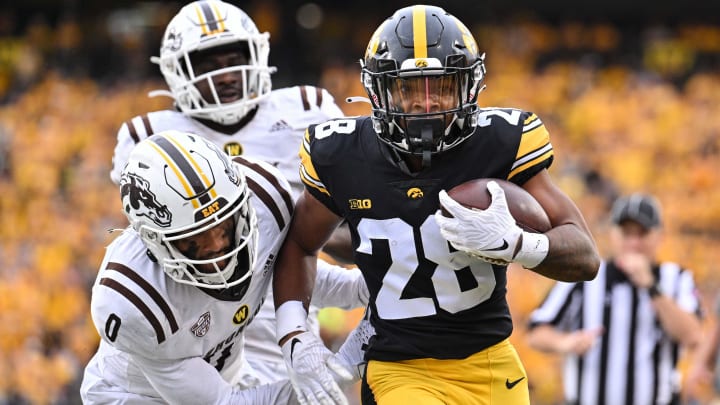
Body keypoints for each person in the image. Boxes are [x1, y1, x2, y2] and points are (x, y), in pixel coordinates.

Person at [271, 5, 601, 404]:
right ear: (379, 91)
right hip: (400, 369)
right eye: (409, 89)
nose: (426, 104)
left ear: (469, 87)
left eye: (442, 86)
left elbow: (585, 257)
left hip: (491, 362)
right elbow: (301, 244)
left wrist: (517, 244)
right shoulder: (342, 153)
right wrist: (294, 335)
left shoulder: (500, 143)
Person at [107, 0, 357, 389]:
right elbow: (156, 250)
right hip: (202, 324)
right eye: (208, 65)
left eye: (234, 58)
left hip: (287, 303)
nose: (226, 75)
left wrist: (298, 235)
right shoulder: (148, 137)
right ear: (177, 72)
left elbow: (349, 224)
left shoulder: (307, 112)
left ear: (258, 55)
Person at [80, 130, 369, 404]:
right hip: (134, 397)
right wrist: (346, 363)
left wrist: (374, 288)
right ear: (155, 242)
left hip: (227, 376)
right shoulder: (134, 302)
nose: (218, 246)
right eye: (195, 239)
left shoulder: (264, 200)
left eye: (225, 226)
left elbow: (292, 274)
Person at [527, 193, 702, 405]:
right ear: (612, 234)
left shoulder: (676, 278)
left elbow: (693, 336)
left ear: (659, 236)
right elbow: (535, 332)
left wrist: (651, 287)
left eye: (642, 233)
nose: (633, 243)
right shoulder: (582, 276)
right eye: (626, 233)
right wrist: (567, 342)